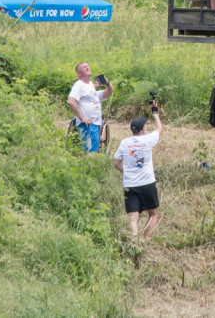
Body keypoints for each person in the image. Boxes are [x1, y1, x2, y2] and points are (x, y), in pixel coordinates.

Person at [114, 101, 164, 238]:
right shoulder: (148, 140)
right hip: (147, 183)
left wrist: (127, 172)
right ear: (142, 130)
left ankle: (134, 242)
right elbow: (159, 128)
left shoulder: (124, 143)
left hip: (130, 185)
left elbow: (116, 163)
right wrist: (155, 114)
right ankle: (145, 240)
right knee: (153, 213)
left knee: (133, 218)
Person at [67, 62, 114, 154]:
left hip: (96, 123)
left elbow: (109, 91)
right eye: (84, 67)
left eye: (88, 66)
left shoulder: (91, 87)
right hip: (87, 124)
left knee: (93, 151)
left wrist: (107, 83)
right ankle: (89, 167)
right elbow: (70, 101)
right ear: (79, 73)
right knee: (90, 152)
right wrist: (82, 118)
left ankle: (92, 167)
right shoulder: (79, 84)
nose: (87, 67)